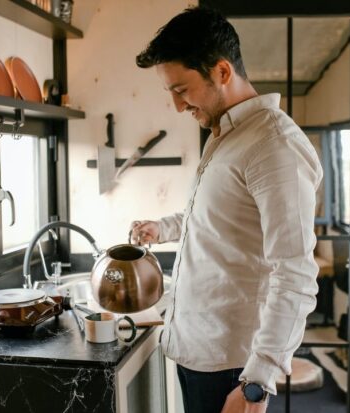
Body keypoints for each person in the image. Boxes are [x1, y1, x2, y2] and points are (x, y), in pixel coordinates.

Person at [130, 6, 323, 413]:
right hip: (196, 352)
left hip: (233, 368)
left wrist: (258, 382)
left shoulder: (274, 145)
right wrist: (162, 228)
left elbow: (296, 274)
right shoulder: (226, 136)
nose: (177, 107)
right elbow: (218, 220)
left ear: (220, 71)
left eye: (181, 90)